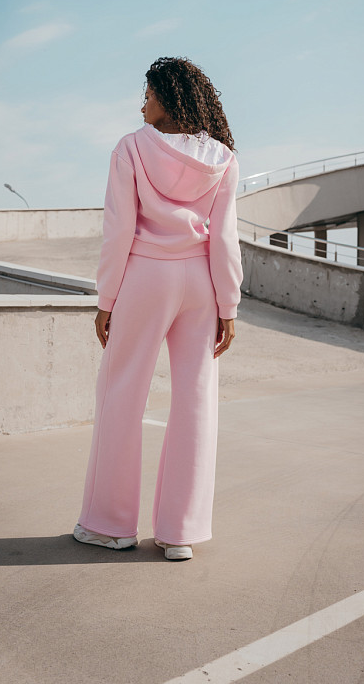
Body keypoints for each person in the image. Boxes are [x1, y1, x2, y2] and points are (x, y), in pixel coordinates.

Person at [73, 56, 242, 561]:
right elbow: (225, 240)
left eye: (147, 94)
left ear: (169, 99)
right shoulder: (223, 158)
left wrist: (107, 299)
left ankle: (110, 526)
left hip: (145, 278)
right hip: (200, 285)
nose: (141, 103)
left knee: (121, 393)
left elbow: (118, 232)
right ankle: (179, 534)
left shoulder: (130, 148)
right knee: (195, 400)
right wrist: (228, 306)